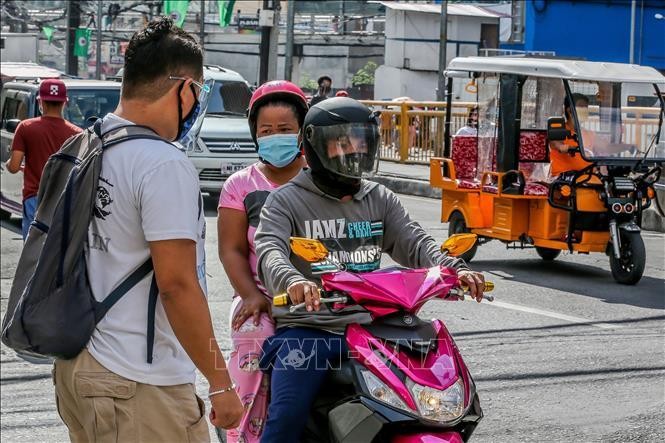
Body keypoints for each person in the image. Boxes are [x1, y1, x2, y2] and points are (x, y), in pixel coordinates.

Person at [51, 17, 243, 442]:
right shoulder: (161, 162)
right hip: (137, 382)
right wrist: (221, 382)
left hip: (79, 366)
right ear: (184, 89)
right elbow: (176, 284)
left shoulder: (89, 143)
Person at [254, 97, 487, 441]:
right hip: (314, 328)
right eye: (342, 142)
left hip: (377, 326)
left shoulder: (380, 198)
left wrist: (455, 270)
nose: (354, 151)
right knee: (287, 417)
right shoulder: (286, 200)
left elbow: (417, 243)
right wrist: (294, 282)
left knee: (441, 396)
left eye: (361, 141)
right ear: (315, 145)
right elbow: (270, 250)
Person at [217, 80, 308, 443]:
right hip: (261, 298)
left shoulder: (321, 181)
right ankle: (244, 433)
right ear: (255, 134)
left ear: (303, 132)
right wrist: (252, 296)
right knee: (255, 339)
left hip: (324, 299)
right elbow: (232, 250)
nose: (275, 137)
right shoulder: (241, 185)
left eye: (285, 130)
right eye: (266, 131)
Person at [5, 79, 81, 239]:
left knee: (33, 251)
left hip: (35, 197)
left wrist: (12, 164)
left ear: (41, 102)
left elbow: (13, 167)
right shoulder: (77, 133)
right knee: (58, 251)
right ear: (65, 103)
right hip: (65, 200)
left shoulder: (26, 127)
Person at [549, 93, 594, 176]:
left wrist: (625, 146)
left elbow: (605, 146)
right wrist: (561, 146)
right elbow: (554, 142)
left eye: (586, 107)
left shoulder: (589, 134)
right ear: (570, 111)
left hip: (588, 178)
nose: (585, 110)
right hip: (565, 180)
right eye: (581, 107)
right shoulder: (559, 129)